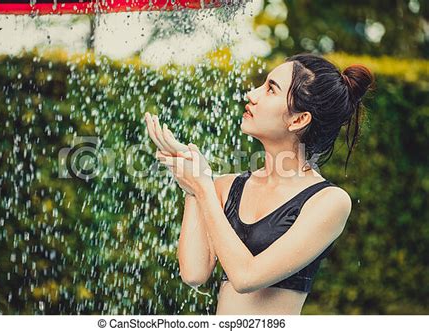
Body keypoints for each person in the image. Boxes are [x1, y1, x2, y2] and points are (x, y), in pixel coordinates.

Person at [144, 53, 374, 315]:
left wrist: (203, 187)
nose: (252, 94)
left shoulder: (328, 201)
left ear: (298, 120)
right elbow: (194, 273)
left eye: (270, 89)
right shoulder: (226, 187)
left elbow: (246, 277)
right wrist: (192, 187)